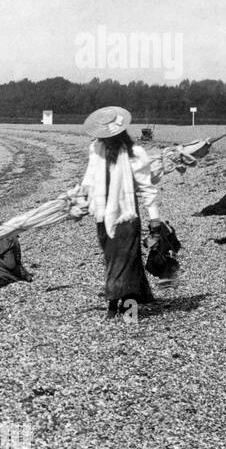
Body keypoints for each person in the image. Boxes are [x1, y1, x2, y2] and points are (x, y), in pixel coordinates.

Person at [72, 106, 161, 318]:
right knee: (113, 259)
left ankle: (120, 308)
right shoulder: (96, 149)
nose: (107, 141)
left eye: (110, 137)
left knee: (126, 261)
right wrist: (79, 196)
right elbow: (90, 177)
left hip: (126, 216)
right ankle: (124, 301)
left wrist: (155, 220)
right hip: (102, 215)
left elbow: (147, 188)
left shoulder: (135, 154)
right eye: (104, 137)